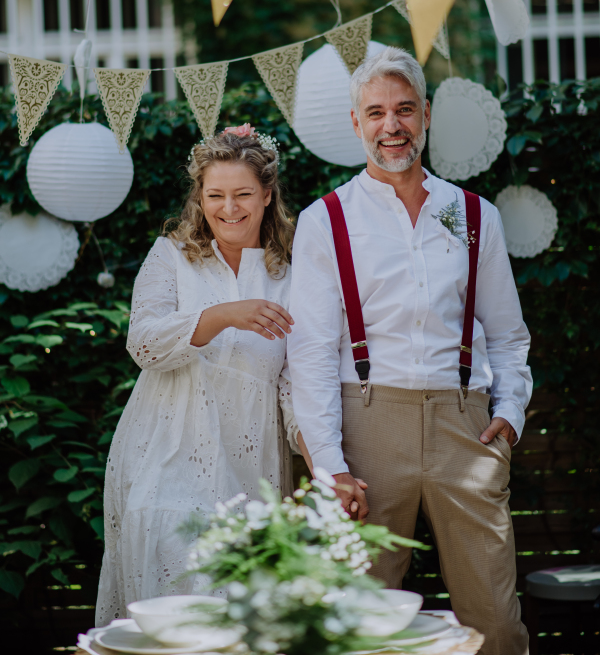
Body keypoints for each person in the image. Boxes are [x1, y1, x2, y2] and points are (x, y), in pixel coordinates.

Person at [287, 47, 532, 655]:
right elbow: (311, 353)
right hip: (366, 425)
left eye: (403, 110)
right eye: (375, 113)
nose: (390, 126)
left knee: (496, 623)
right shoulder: (327, 220)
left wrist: (510, 414)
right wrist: (328, 464)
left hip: (465, 427)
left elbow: (507, 333)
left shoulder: (475, 215)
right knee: (356, 623)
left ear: (425, 114)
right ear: (355, 123)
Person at [96, 125, 304, 626]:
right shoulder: (170, 256)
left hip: (250, 467)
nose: (228, 208)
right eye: (215, 195)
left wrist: (324, 466)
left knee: (236, 610)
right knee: (168, 582)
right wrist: (224, 314)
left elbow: (297, 385)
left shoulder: (290, 274)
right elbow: (143, 344)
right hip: (162, 455)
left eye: (242, 194)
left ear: (268, 194)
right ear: (199, 196)